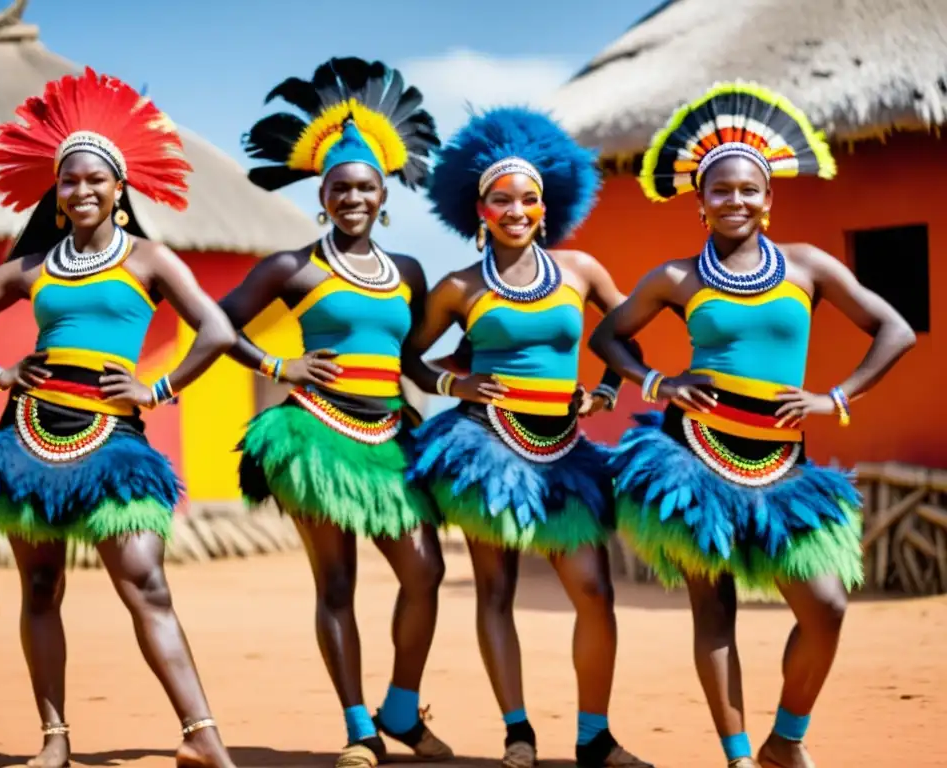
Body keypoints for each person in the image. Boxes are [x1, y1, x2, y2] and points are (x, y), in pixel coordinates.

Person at [590, 82, 916, 768]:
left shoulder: (808, 266)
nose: (735, 201)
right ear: (700, 200)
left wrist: (837, 399)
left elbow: (893, 329)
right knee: (714, 612)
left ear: (769, 198)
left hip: (781, 467)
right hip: (693, 458)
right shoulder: (676, 277)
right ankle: (739, 755)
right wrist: (659, 383)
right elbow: (610, 339)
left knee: (825, 605)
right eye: (721, 191)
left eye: (748, 190)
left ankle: (784, 739)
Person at [0, 68, 239, 768]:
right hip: (28, 437)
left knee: (146, 581)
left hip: (114, 441)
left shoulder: (151, 259)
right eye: (69, 182)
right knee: (41, 587)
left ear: (119, 188)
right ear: (57, 196)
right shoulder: (33, 267)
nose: (82, 190)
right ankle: (55, 741)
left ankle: (203, 735)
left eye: (96, 179)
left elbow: (215, 329)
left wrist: (157, 390)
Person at [403, 106, 652, 768]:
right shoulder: (459, 288)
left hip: (564, 452)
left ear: (546, 208)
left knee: (594, 591)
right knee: (496, 590)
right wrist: (455, 387)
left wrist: (605, 392)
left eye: (529, 198)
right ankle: (517, 733)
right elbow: (411, 356)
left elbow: (625, 329)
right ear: (479, 210)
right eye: (501, 199)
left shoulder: (581, 271)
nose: (516, 209)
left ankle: (595, 736)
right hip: (485, 448)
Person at [220, 57, 451, 768]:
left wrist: (456, 382)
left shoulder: (408, 272)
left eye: (365, 187)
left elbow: (409, 359)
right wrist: (276, 365)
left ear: (384, 196)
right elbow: (218, 323)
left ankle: (403, 709)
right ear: (323, 196)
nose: (353, 197)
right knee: (339, 583)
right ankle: (358, 729)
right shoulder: (294, 267)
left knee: (427, 572)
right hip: (314, 435)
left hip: (389, 438)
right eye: (341, 188)